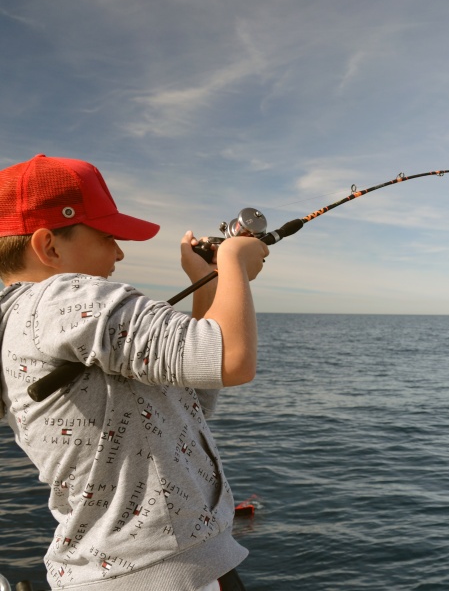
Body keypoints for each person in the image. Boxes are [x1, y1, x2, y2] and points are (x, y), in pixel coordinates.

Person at [0, 154, 268, 590]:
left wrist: (210, 284)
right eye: (107, 236)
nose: (120, 252)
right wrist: (235, 260)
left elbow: (196, 389)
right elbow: (232, 359)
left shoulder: (19, 321)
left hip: (131, 569)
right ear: (49, 246)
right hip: (160, 571)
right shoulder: (65, 296)